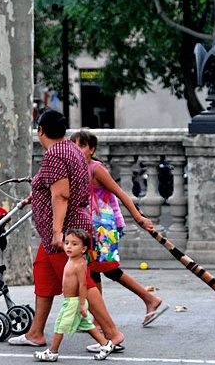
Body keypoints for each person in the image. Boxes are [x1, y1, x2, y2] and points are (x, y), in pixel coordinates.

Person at [7, 109, 125, 350]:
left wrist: (57, 233)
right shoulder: (71, 149)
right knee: (43, 273)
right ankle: (35, 333)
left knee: (83, 281)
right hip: (68, 227)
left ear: (40, 130)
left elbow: (61, 195)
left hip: (64, 232)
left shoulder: (55, 154)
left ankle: (112, 334)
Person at [71, 129, 169, 334]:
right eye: (74, 145)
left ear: (92, 149)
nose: (77, 150)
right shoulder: (77, 168)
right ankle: (99, 318)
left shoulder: (96, 169)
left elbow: (120, 193)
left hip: (103, 228)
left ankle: (150, 299)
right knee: (93, 270)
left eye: (82, 145)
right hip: (89, 227)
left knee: (107, 269)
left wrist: (138, 217)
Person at [34, 229, 114, 362]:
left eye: (74, 244)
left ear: (84, 249)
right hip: (71, 300)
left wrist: (82, 304)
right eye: (67, 243)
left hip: (74, 301)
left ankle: (53, 352)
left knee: (60, 324)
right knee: (86, 325)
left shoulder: (79, 264)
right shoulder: (71, 260)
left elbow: (83, 285)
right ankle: (106, 345)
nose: (69, 246)